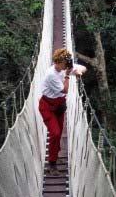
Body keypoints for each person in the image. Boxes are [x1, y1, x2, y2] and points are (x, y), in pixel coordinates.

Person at [39, 48, 72, 176]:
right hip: (47, 106)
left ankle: (55, 155)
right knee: (56, 133)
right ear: (58, 62)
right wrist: (68, 75)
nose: (66, 66)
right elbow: (65, 90)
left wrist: (78, 70)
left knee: (58, 133)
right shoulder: (51, 74)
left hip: (59, 106)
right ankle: (52, 164)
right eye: (65, 63)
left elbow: (76, 69)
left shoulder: (61, 69)